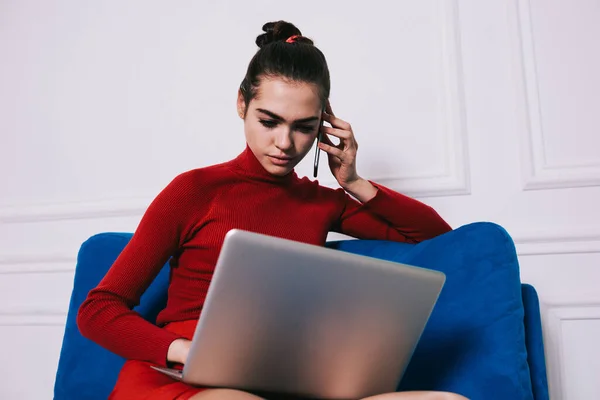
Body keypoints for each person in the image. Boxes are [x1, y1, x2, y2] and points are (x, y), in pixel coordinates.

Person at [77, 20, 467, 400]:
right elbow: (98, 310)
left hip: (281, 379)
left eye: (304, 127)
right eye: (269, 121)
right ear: (242, 103)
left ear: (323, 126)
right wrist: (183, 350)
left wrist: (354, 181)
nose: (284, 143)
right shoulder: (194, 191)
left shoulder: (322, 202)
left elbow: (437, 239)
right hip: (181, 376)